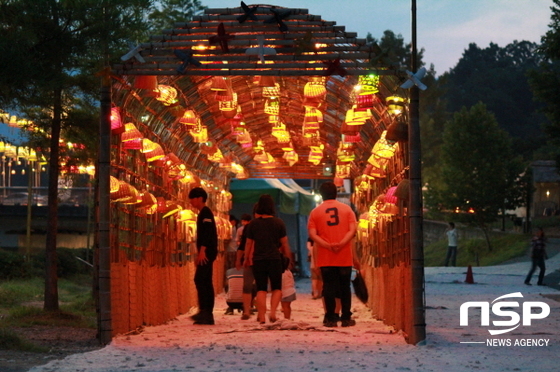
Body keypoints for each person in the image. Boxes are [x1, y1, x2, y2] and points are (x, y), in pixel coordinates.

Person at [308, 182, 358, 328]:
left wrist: (326, 245)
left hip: (325, 256)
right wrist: (341, 243)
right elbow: (352, 230)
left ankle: (330, 318)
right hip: (344, 255)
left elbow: (312, 234)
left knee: (328, 286)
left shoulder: (315, 212)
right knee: (344, 287)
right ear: (336, 193)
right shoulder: (347, 209)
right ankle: (346, 317)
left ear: (321, 194)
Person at [244, 194, 292, 324]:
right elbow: (284, 243)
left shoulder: (253, 224)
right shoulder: (279, 222)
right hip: (274, 259)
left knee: (261, 289)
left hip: (258, 259)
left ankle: (261, 315)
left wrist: (246, 258)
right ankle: (272, 313)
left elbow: (248, 244)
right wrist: (289, 257)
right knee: (277, 288)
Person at [188, 187, 218, 325]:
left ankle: (206, 312)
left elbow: (207, 233)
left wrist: (202, 251)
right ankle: (205, 312)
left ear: (200, 198)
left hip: (206, 252)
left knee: (202, 280)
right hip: (206, 252)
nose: (190, 201)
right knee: (203, 280)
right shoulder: (203, 213)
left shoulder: (206, 213)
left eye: (192, 198)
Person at [235, 212, 255, 320]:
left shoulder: (248, 228)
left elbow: (244, 244)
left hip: (250, 260)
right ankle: (261, 314)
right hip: (264, 260)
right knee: (261, 287)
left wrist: (241, 259)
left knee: (247, 286)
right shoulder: (274, 224)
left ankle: (246, 310)